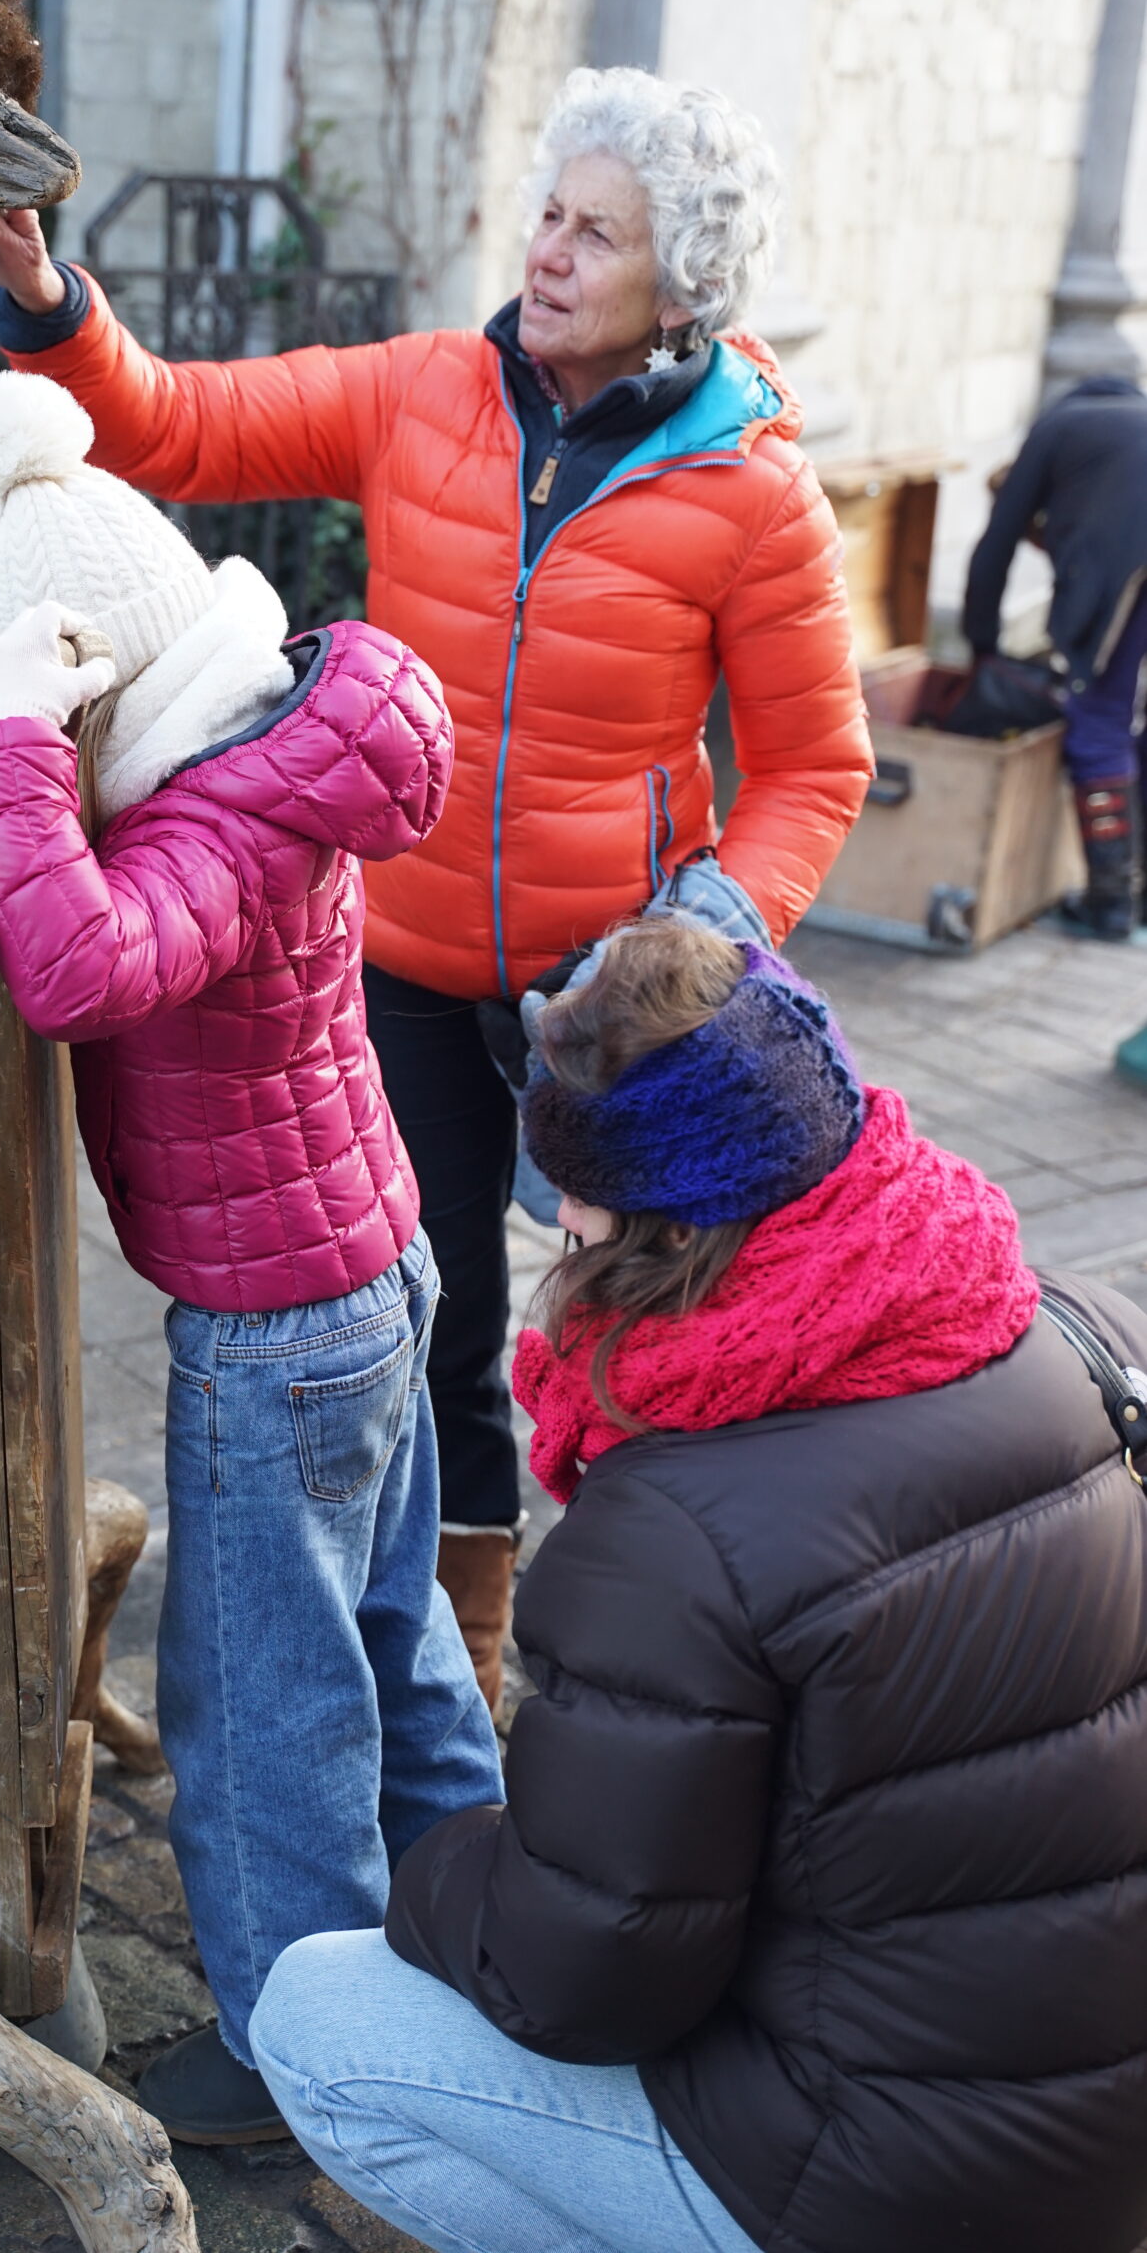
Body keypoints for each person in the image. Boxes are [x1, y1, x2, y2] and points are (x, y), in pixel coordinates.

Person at [0, 67, 872, 1708]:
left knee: (650, 1326)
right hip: (392, 966)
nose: (548, 251)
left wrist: (709, 930)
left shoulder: (754, 495)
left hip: (617, 998)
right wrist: (50, 302)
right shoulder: (420, 393)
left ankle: (683, 1652)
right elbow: (174, 421)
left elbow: (815, 766)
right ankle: (455, 1663)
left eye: (597, 232)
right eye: (547, 213)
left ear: (684, 281)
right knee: (438, 1329)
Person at [247, 916, 1147, 2253]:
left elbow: (581, 1982)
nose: (557, 1216)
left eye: (572, 1184)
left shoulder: (675, 1521)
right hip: (1096, 2111)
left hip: (897, 2180)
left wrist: (438, 1867)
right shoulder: (1065, 1321)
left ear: (650, 1220)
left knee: (312, 2015)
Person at [0, 371, 504, 2145]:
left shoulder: (203, 823)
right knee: (388, 1639)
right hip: (366, 1273)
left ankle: (294, 2053)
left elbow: (79, 970)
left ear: (109, 689)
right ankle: (494, 1929)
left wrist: (10, 742)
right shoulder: (277, 765)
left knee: (258, 1707)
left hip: (278, 1329)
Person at [963, 373, 1147, 939]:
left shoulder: (1056, 427)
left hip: (1129, 569)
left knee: (1097, 724)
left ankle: (1111, 904)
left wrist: (983, 648)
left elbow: (995, 545)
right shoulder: (1126, 425)